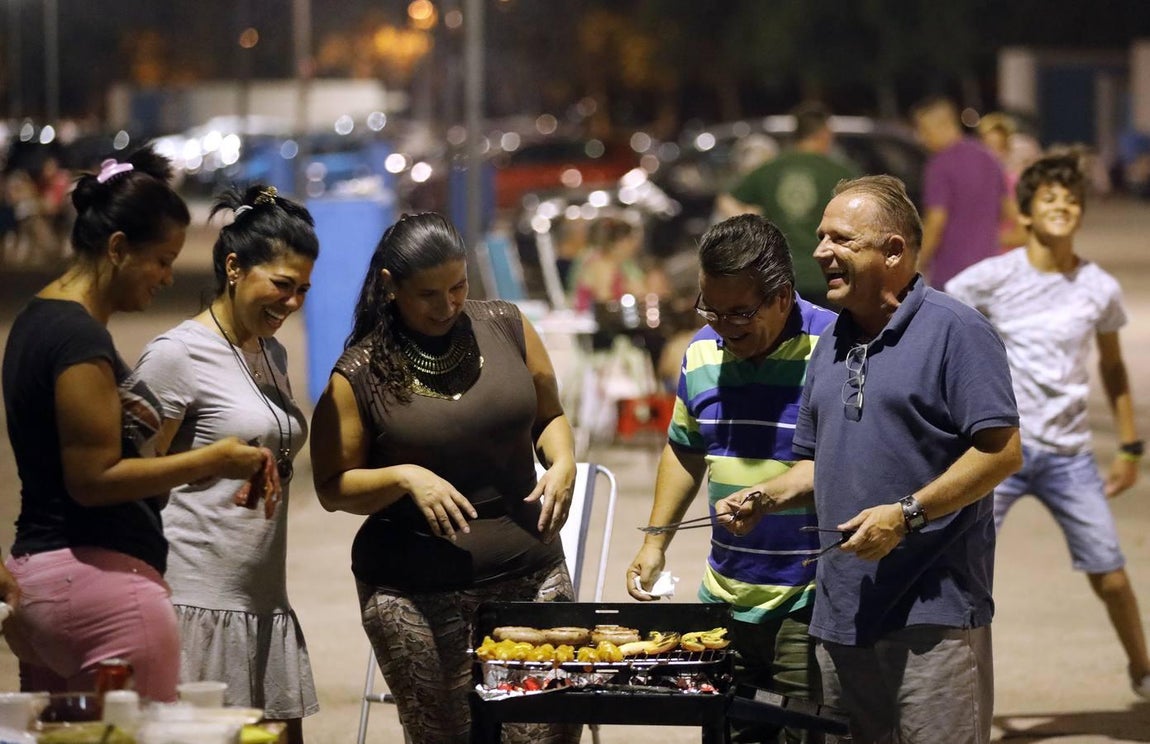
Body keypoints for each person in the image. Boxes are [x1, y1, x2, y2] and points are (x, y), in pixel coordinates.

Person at [717, 175, 1022, 743]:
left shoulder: (956, 331)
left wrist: (906, 514)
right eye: (820, 237)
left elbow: (1001, 453)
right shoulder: (831, 341)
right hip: (842, 612)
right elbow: (816, 461)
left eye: (841, 239)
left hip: (934, 612)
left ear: (894, 250)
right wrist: (767, 497)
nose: (820, 252)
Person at [1, 149, 270, 701]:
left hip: (43, 584)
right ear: (118, 248)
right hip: (102, 594)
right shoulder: (78, 339)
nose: (168, 277)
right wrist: (214, 458)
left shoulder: (36, 320)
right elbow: (92, 477)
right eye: (161, 260)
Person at [309, 212, 581, 744]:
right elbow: (331, 486)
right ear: (390, 287)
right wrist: (405, 477)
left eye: (458, 287)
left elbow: (549, 415)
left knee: (547, 733)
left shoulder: (506, 324)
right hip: (416, 591)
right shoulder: (359, 374)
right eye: (428, 294)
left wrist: (564, 460)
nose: (447, 305)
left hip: (533, 570)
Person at [945, 154, 1150, 699]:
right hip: (999, 451)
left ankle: (1143, 670)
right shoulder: (990, 277)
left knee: (1109, 571)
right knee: (964, 575)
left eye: (1072, 200)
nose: (1064, 207)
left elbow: (1111, 366)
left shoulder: (1097, 287)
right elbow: (935, 324)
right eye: (1050, 199)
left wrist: (1130, 446)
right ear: (1027, 214)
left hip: (1070, 456)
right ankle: (958, 695)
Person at [626, 214, 836, 744]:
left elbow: (853, 462)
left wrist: (773, 495)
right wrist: (655, 542)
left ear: (782, 296)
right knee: (729, 731)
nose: (724, 326)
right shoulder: (701, 350)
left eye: (740, 312)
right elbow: (684, 448)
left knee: (800, 731)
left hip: (807, 600)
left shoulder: (833, 351)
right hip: (724, 593)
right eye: (711, 309)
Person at [131, 184, 320, 739]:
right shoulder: (175, 355)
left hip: (263, 605)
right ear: (234, 267)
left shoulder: (271, 351)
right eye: (282, 285)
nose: (292, 304)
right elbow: (124, 477)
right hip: (192, 607)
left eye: (304, 290)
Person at [718, 102, 857, 308]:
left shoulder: (771, 169)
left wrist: (753, 227)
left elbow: (726, 199)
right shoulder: (838, 171)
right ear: (825, 133)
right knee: (830, 336)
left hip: (780, 274)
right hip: (829, 274)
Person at [911, 96, 1018, 288]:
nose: (921, 138)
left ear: (943, 125)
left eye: (924, 130)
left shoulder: (939, 165)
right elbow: (1011, 212)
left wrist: (917, 263)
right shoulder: (988, 158)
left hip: (952, 273)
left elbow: (936, 222)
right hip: (989, 271)